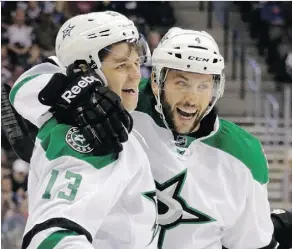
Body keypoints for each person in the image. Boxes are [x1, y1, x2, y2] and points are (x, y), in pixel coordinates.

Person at [9, 23, 292, 249]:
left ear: (216, 88)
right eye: (180, 82)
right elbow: (30, 84)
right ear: (157, 82)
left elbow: (250, 242)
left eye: (203, 85)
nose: (192, 98)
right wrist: (75, 92)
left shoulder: (244, 153)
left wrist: (271, 231)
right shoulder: (120, 102)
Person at [9, 11, 159, 249]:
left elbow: (35, 80)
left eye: (137, 64)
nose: (135, 75)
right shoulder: (93, 137)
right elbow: (52, 238)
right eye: (122, 66)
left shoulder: (110, 117)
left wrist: (76, 90)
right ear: (86, 72)